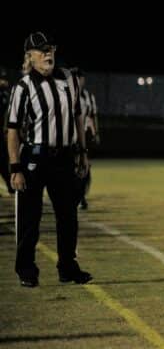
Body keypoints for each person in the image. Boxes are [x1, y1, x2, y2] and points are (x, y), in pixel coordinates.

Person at [6, 32, 92, 287]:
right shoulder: (22, 87)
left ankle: (67, 267)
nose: (48, 54)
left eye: (50, 49)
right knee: (29, 218)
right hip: (35, 157)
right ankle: (26, 269)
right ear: (29, 57)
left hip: (64, 157)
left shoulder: (69, 79)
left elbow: (77, 116)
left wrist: (82, 152)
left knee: (68, 216)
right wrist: (15, 167)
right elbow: (12, 129)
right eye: (41, 50)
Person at [72, 68, 100, 209]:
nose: (80, 81)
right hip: (72, 135)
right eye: (77, 78)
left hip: (85, 133)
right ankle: (74, 194)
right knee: (73, 166)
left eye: (81, 78)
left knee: (85, 165)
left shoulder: (89, 97)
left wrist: (96, 133)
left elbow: (93, 115)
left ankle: (81, 195)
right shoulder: (68, 95)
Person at [1, 66, 14, 195]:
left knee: (5, 160)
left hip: (4, 133)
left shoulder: (6, 94)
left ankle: (10, 184)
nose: (4, 82)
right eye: (2, 79)